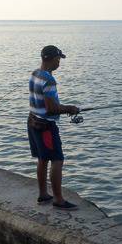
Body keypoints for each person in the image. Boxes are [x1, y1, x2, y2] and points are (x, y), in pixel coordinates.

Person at [28, 45, 80, 210]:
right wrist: (70, 108)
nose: (59, 62)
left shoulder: (35, 73)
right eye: (58, 59)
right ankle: (58, 199)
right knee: (57, 159)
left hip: (32, 121)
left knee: (42, 159)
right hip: (45, 127)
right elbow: (51, 109)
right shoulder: (49, 80)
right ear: (51, 59)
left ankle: (43, 194)